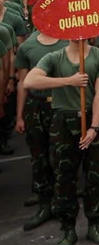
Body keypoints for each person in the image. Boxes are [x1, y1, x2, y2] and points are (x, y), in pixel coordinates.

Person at [24, 39, 99, 245]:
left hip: (93, 117)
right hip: (63, 121)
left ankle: (95, 224)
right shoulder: (55, 57)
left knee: (95, 175)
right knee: (64, 176)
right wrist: (68, 81)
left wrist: (93, 128)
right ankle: (68, 229)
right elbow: (30, 81)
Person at [14, 29, 68, 232]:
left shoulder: (67, 42)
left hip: (62, 103)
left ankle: (63, 203)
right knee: (39, 157)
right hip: (36, 106)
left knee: (63, 155)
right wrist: (20, 115)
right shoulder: (27, 46)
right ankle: (45, 204)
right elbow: (22, 82)